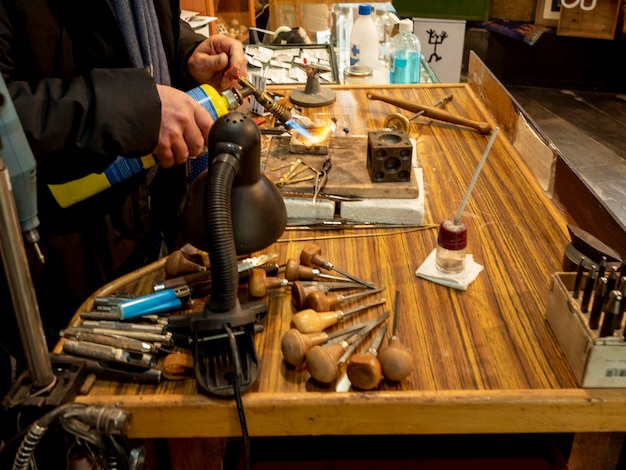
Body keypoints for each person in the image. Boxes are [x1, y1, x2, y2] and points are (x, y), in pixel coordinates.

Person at [0, 0, 249, 396]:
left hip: (143, 234)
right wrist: (133, 107)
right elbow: (10, 107)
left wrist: (186, 54)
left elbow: (131, 28)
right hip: (56, 267)